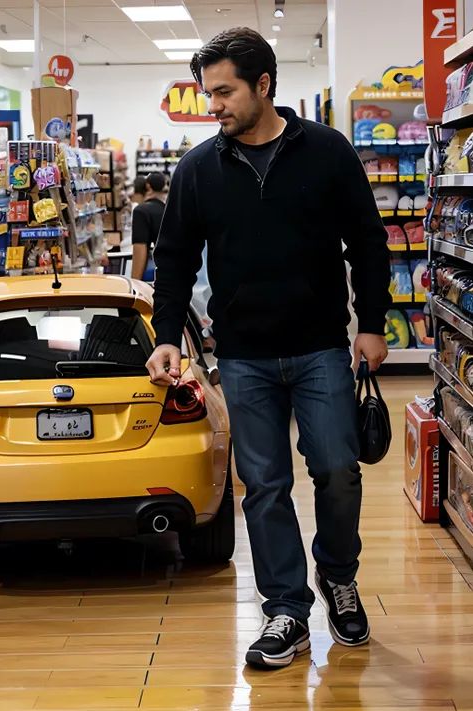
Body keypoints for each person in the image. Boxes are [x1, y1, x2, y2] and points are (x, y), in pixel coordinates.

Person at [146, 27, 391, 670]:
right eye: (208, 95)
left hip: (319, 349)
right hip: (244, 358)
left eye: (224, 92)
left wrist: (372, 323)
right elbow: (172, 260)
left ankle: (338, 577)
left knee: (337, 470)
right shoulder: (198, 168)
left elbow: (368, 241)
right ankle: (286, 608)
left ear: (263, 86)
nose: (214, 106)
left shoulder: (328, 152)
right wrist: (167, 335)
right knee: (264, 486)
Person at [131, 172, 168, 281]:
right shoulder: (167, 208)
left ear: (147, 187)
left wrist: (135, 284)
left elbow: (140, 250)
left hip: (166, 274)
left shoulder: (141, 211)